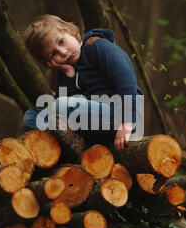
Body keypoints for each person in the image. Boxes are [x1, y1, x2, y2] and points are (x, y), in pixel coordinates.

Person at [22, 14, 143, 152]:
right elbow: (58, 115)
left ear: (71, 31)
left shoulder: (97, 46)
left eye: (61, 42)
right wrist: (69, 75)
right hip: (91, 121)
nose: (63, 52)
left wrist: (127, 121)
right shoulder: (66, 72)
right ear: (49, 63)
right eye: (54, 54)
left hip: (120, 114)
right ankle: (70, 150)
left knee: (61, 105)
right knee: (31, 117)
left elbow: (126, 81)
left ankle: (68, 148)